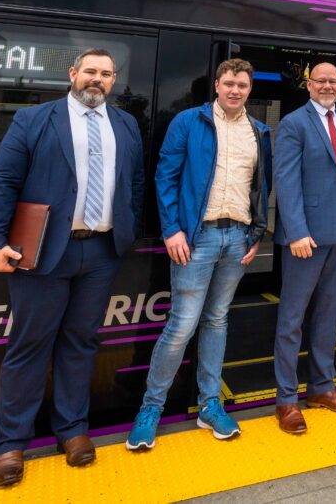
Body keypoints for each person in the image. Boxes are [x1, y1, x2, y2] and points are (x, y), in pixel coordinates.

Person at [0, 49, 144, 487]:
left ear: (113, 81)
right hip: (44, 254)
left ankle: (72, 431)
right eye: (90, 71)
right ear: (73, 74)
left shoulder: (126, 125)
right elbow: (3, 182)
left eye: (106, 74)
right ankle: (10, 443)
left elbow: (136, 183)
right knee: (30, 345)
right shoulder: (34, 120)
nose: (97, 79)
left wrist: (127, 227)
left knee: (81, 342)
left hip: (101, 252)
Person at [125, 58, 272, 450]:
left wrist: (256, 233)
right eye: (228, 83)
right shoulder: (189, 122)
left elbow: (261, 188)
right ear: (217, 86)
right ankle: (150, 408)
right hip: (198, 237)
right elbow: (165, 176)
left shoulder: (259, 132)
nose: (235, 90)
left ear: (249, 88)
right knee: (181, 325)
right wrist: (171, 229)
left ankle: (210, 404)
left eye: (242, 84)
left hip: (237, 237)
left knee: (218, 320)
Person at [271, 63, 336, 434]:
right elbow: (286, 178)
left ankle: (322, 388)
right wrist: (295, 231)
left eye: (333, 81)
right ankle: (286, 400)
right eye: (320, 81)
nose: (327, 86)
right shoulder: (295, 123)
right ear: (308, 85)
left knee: (329, 314)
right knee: (292, 320)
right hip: (305, 238)